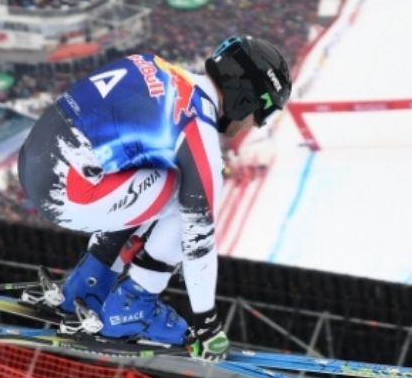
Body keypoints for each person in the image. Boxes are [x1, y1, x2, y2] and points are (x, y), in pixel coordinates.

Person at [16, 36, 292, 359]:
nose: (256, 125)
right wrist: (207, 324)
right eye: (263, 113)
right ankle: (134, 304)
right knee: (191, 195)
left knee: (157, 169)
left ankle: (89, 283)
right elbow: (198, 239)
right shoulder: (196, 125)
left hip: (32, 163)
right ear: (245, 98)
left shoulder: (158, 66)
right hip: (67, 191)